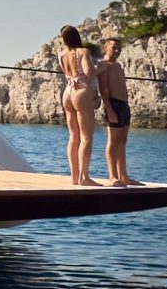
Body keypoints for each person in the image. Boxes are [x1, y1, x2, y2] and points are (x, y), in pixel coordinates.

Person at [58, 24, 100, 185]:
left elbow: (67, 73)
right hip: (80, 90)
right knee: (86, 137)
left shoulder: (61, 55)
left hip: (67, 92)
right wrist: (99, 68)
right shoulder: (83, 52)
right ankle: (85, 177)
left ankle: (74, 177)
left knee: (73, 137)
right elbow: (88, 72)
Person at [97, 37, 139, 186]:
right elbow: (103, 89)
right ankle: (112, 176)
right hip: (113, 104)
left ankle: (123, 176)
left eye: (119, 49)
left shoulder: (119, 66)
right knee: (112, 141)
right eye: (114, 48)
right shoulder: (103, 65)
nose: (117, 51)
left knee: (122, 141)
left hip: (124, 105)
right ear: (106, 48)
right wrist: (109, 109)